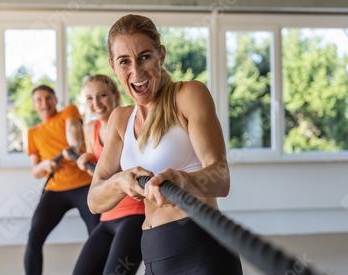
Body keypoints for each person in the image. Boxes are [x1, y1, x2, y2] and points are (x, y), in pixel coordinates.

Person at [87, 14, 243, 275]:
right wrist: (120, 182)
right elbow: (94, 200)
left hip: (202, 246)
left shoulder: (188, 95)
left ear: (161, 54)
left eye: (145, 56)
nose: (136, 71)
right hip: (155, 252)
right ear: (113, 66)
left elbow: (221, 177)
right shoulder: (120, 119)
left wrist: (182, 181)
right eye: (124, 61)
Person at [71, 75, 144, 275]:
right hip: (107, 215)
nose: (96, 103)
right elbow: (100, 174)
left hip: (135, 215)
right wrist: (87, 160)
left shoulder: (130, 122)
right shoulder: (90, 129)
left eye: (102, 95)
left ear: (115, 96)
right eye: (89, 98)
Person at [24, 84, 100, 275]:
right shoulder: (33, 133)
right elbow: (35, 171)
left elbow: (75, 140)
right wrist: (45, 165)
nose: (44, 103)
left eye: (48, 98)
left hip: (84, 185)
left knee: (98, 235)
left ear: (56, 100)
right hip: (55, 189)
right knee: (34, 236)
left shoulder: (69, 111)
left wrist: (69, 149)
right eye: (39, 100)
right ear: (34, 105)